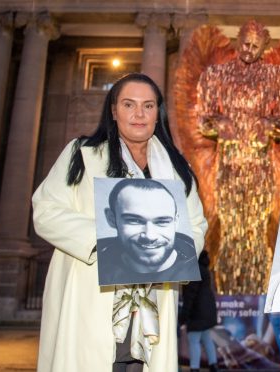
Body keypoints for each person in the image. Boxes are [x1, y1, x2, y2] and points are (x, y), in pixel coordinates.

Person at [32, 73, 208, 372]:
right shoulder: (83, 154)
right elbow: (45, 210)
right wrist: (106, 241)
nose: (139, 114)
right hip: (92, 294)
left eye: (148, 106)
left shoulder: (177, 168)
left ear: (158, 113)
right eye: (129, 104)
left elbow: (196, 224)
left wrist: (177, 253)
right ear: (114, 111)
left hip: (153, 302)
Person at [195, 20, 280, 294]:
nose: (249, 50)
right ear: (236, 41)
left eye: (255, 46)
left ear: (265, 47)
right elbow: (203, 120)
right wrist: (221, 125)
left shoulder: (278, 77)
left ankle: (260, 293)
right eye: (245, 43)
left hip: (260, 165)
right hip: (228, 165)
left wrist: (267, 125)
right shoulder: (215, 75)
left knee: (258, 227)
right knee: (229, 226)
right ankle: (227, 293)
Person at [98, 178, 199, 285]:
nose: (150, 236)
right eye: (134, 220)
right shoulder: (96, 267)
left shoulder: (195, 268)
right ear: (111, 219)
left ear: (176, 222)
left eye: (162, 222)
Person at [178, 250, 219, 372]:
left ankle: (194, 368)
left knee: (194, 340)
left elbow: (190, 296)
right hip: (207, 310)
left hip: (197, 312)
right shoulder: (204, 269)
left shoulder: (194, 271)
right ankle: (213, 365)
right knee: (206, 338)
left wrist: (184, 316)